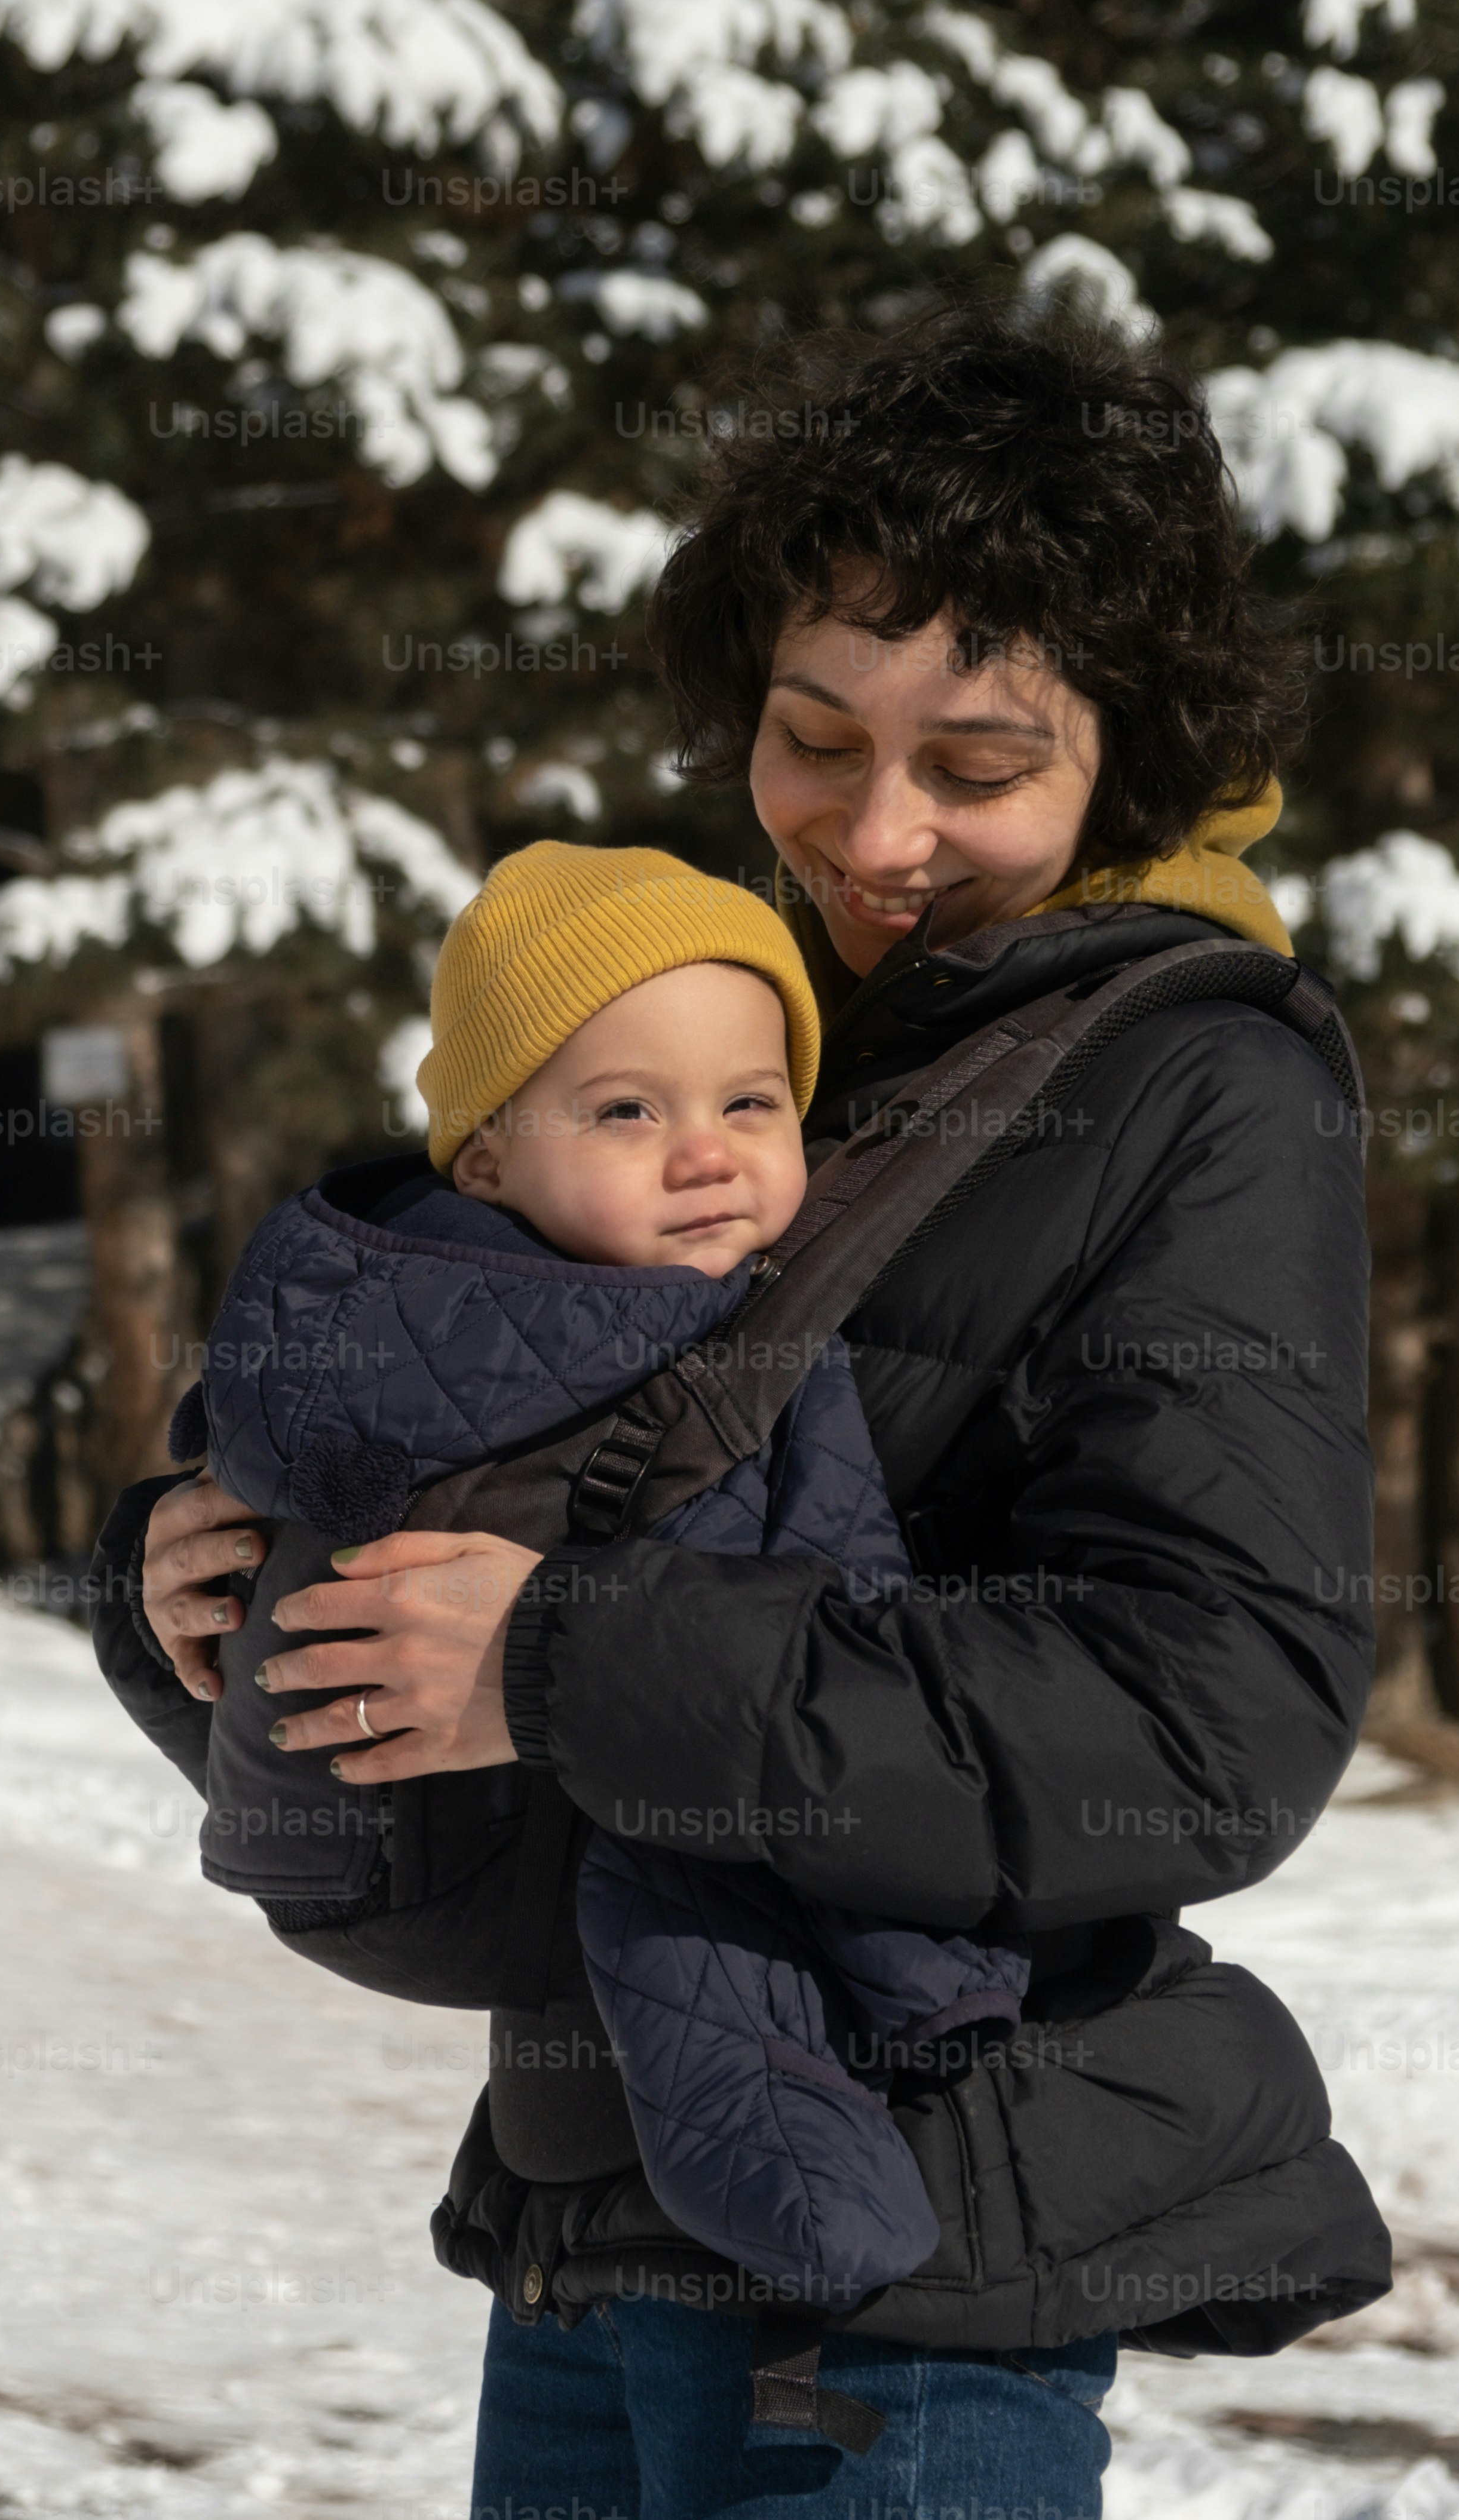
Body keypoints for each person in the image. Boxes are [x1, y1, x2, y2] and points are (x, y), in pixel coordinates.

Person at [95, 293, 1390, 2518]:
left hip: (905, 2270)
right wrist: (212, 1590)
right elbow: (500, 1475)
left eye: (976, 767)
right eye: (812, 733)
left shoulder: (1194, 1089)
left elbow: (1206, 1703)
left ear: (1128, 757)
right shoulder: (729, 1020)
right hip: (589, 2226)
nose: (872, 831)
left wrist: (564, 1658)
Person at [168, 839, 1035, 2315]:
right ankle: (807, 2177)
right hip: (451, 1856)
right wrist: (927, 1956)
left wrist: (160, 1533)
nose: (703, 1151)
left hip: (317, 1832)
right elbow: (845, 1581)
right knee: (689, 1843)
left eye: (749, 1103)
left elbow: (245, 1505)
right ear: (489, 1155)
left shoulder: (347, 1287)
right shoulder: (701, 1335)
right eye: (626, 1109)